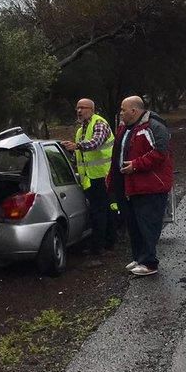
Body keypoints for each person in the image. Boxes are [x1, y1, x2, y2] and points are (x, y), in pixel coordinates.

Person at [110, 96, 173, 277]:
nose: (120, 113)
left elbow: (161, 152)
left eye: (123, 110)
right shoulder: (124, 128)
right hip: (128, 184)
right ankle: (139, 257)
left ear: (134, 111)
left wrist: (136, 164)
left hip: (150, 185)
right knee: (134, 223)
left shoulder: (154, 126)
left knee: (148, 223)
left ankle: (149, 262)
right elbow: (118, 154)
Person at [62, 98, 115, 262]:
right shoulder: (80, 131)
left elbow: (96, 142)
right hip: (89, 178)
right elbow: (81, 155)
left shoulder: (99, 123)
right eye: (77, 108)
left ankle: (103, 246)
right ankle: (100, 245)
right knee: (97, 212)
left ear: (91, 109)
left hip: (102, 176)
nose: (79, 111)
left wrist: (76, 146)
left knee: (102, 212)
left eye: (83, 108)